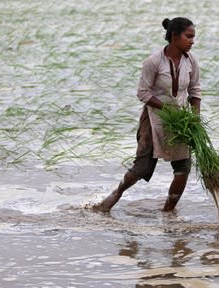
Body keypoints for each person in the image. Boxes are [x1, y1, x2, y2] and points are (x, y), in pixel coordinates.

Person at [92, 17, 201, 213]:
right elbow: (143, 93)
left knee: (182, 169)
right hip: (154, 119)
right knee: (141, 167)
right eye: (189, 37)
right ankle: (115, 195)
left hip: (180, 122)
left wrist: (195, 118)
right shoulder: (153, 62)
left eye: (193, 37)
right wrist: (166, 109)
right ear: (174, 36)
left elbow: (195, 91)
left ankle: (168, 212)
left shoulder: (191, 60)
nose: (192, 41)